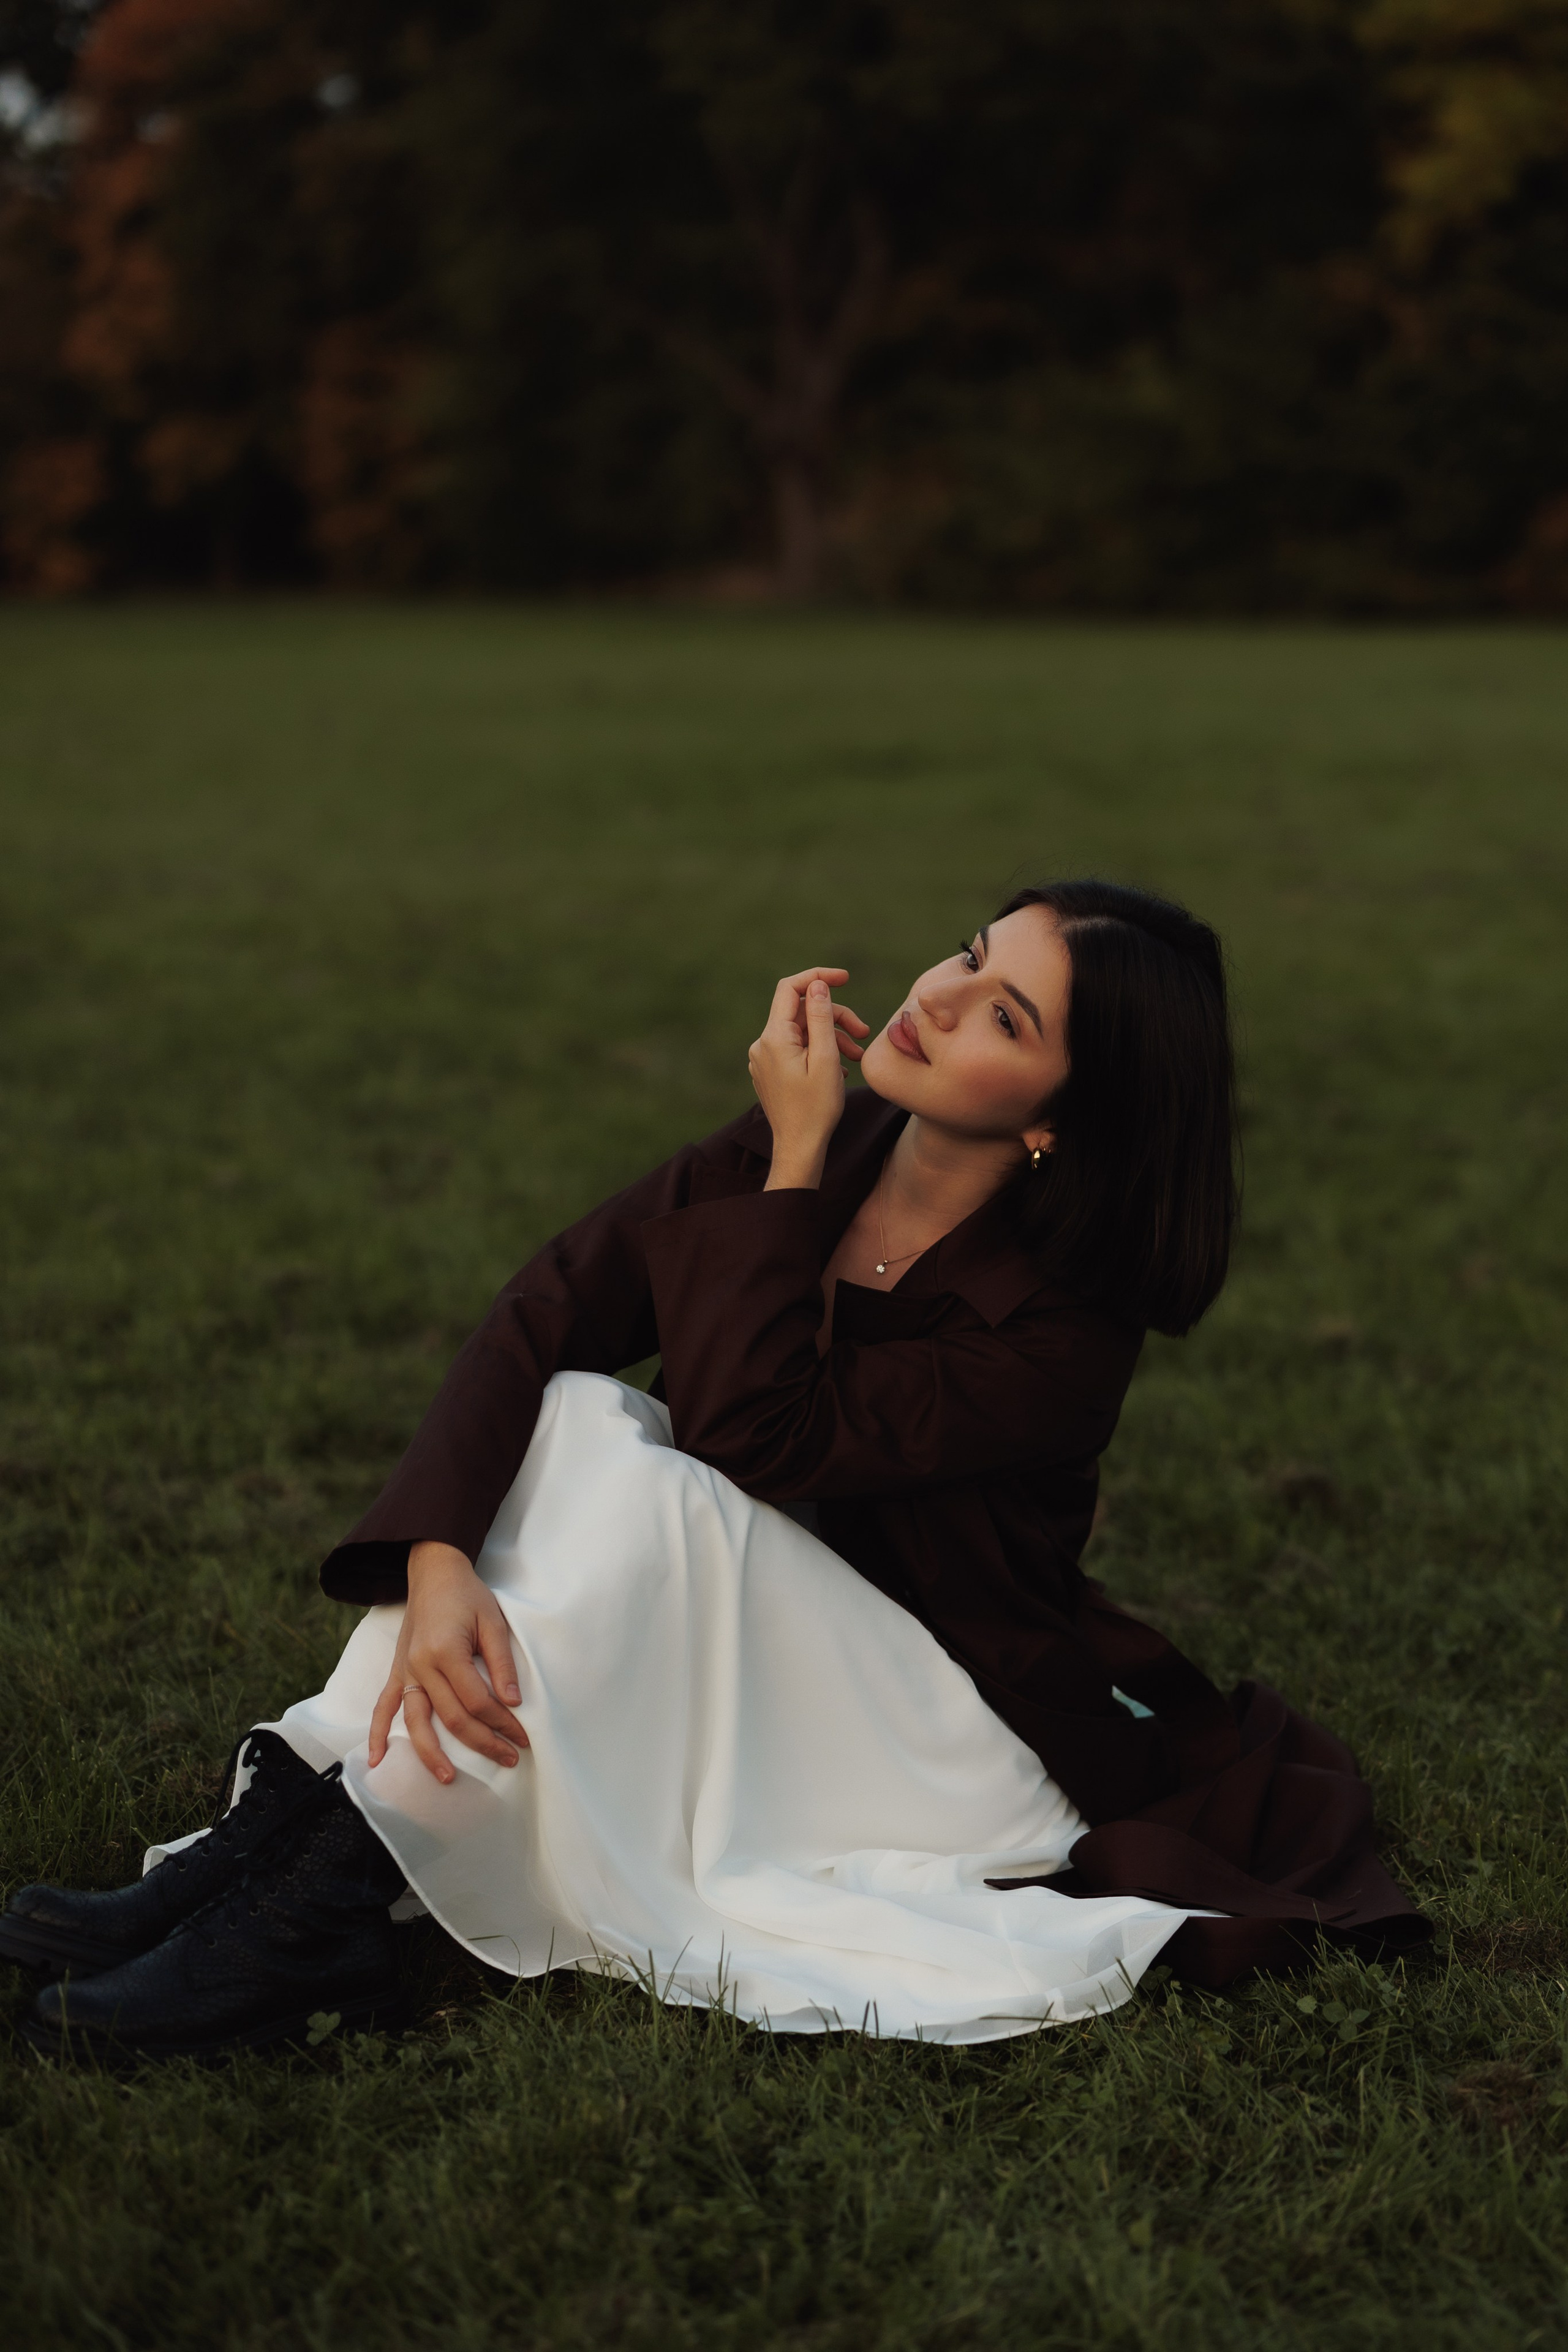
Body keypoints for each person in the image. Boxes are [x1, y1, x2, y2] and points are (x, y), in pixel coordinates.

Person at [1, 881, 1428, 2060]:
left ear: (1065, 1112)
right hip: (729, 1653)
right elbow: (553, 1301)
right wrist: (437, 1564)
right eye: (971, 952)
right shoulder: (838, 1136)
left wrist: (791, 1159)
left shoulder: (1057, 1329)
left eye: (1004, 1014)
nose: (936, 994)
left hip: (932, 1729)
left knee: (651, 1478)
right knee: (577, 1417)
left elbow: (761, 1440)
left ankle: (310, 1900)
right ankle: (292, 1868)